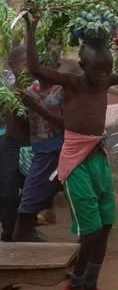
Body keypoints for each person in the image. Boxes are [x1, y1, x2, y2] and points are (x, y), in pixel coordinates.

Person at [25, 10, 118, 290]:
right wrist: (32, 27)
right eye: (98, 69)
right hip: (76, 162)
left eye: (108, 69)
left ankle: (91, 287)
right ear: (83, 66)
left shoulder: (102, 82)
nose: (105, 75)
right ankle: (74, 289)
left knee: (105, 226)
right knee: (90, 230)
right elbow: (35, 67)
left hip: (98, 157)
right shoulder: (72, 83)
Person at [13, 67, 65, 242]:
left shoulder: (63, 89)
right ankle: (23, 241)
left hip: (66, 151)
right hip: (42, 152)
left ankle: (88, 249)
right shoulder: (29, 91)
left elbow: (69, 123)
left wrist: (35, 106)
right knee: (28, 204)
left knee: (81, 199)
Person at [0, 46, 30, 241]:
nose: (28, 68)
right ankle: (10, 231)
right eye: (24, 64)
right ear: (13, 66)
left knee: (33, 193)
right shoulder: (7, 91)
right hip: (12, 144)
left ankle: (26, 229)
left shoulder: (40, 87)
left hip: (36, 145)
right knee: (7, 192)